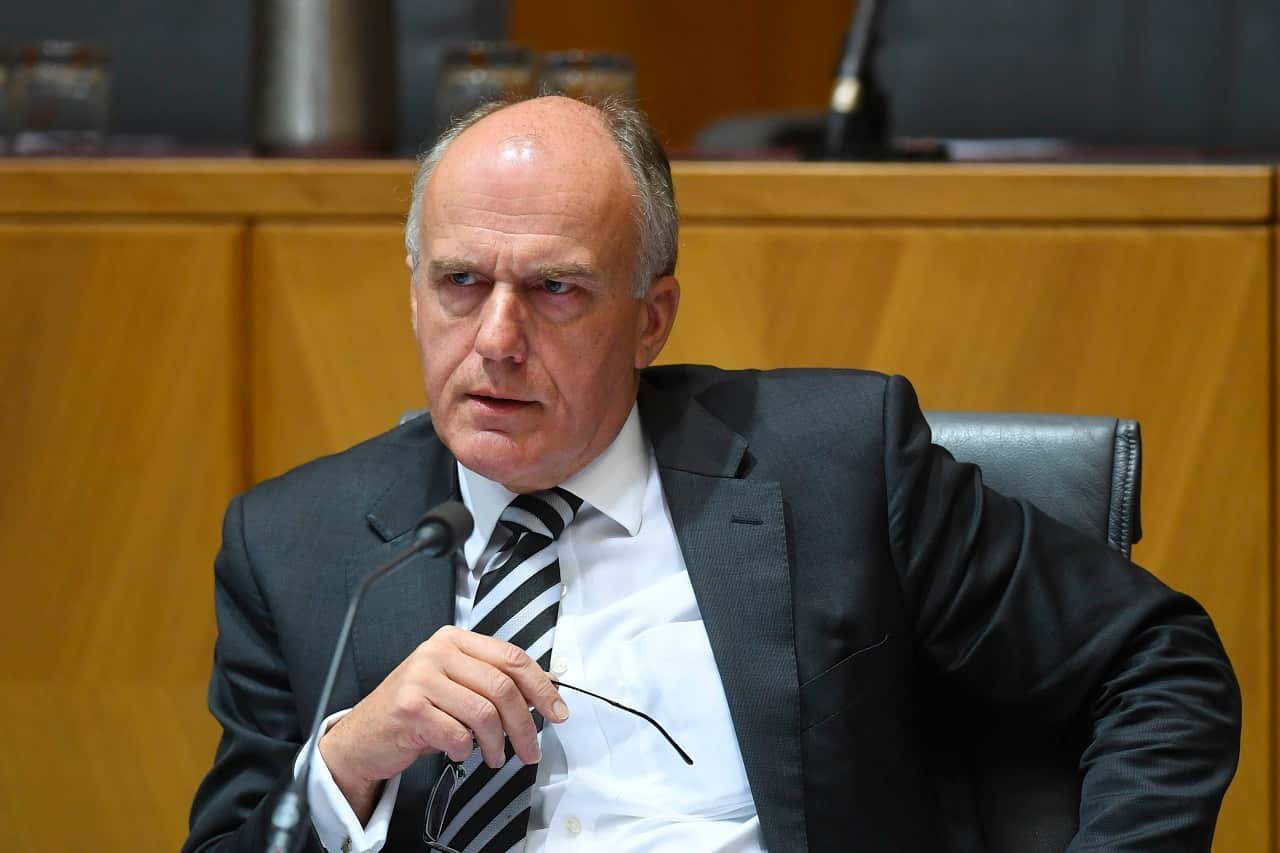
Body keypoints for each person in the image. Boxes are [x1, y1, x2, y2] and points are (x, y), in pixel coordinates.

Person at [183, 95, 1241, 853]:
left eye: (554, 291)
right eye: (460, 282)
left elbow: (1154, 662)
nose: (495, 339)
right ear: (415, 293)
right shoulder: (298, 543)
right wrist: (350, 757)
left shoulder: (837, 462)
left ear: (649, 318)